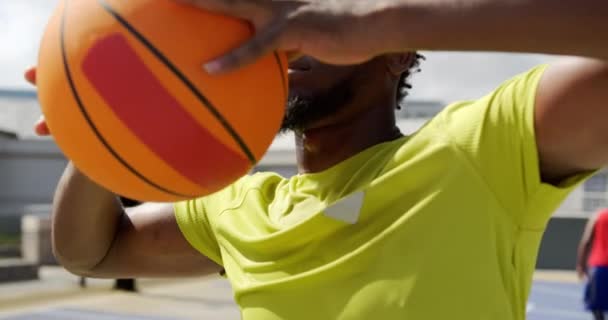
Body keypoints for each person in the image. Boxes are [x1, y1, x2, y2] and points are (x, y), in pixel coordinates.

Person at [26, 0, 608, 319]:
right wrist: (100, 133)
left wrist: (381, 19)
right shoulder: (239, 205)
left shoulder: (479, 148)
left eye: (312, 12)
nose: (289, 39)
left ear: (396, 55)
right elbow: (90, 251)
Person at [578, 209, 608, 320]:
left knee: (597, 309)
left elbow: (586, 241)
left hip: (600, 268)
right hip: (600, 267)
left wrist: (581, 265)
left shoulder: (597, 216)